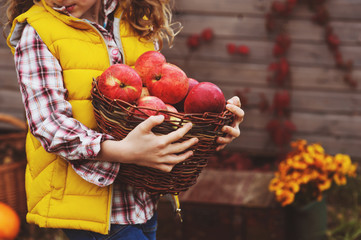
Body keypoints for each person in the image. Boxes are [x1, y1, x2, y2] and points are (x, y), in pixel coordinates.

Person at [5, 0, 245, 239]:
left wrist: (211, 123)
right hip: (89, 210)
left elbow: (158, 98)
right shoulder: (38, 31)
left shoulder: (133, 20)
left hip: (141, 203)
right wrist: (124, 151)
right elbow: (49, 124)